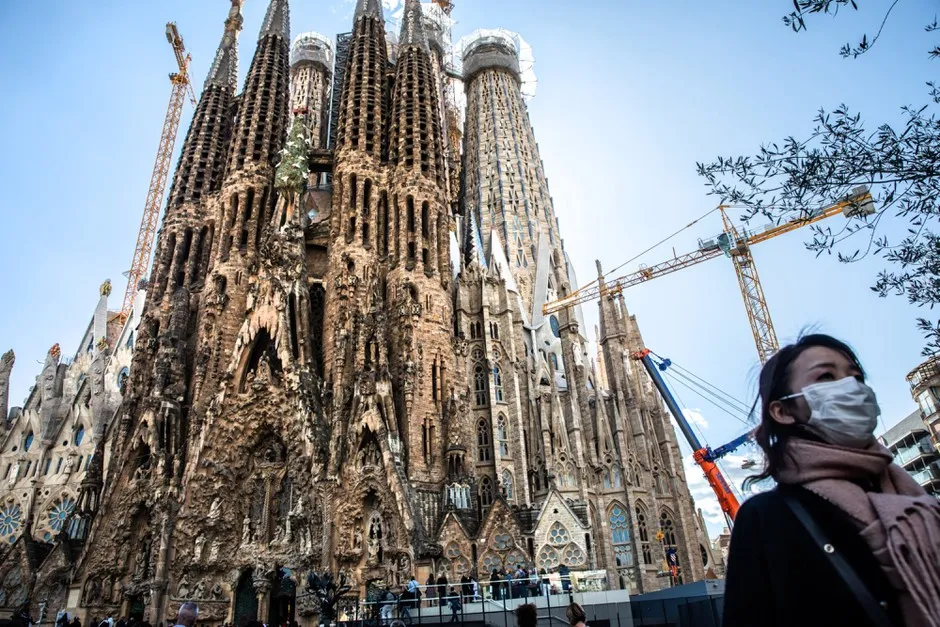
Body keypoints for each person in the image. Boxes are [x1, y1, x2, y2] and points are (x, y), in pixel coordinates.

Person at [723, 334, 940, 627]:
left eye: (856, 376)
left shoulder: (918, 501)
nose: (850, 387)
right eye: (826, 376)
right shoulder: (767, 517)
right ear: (783, 411)